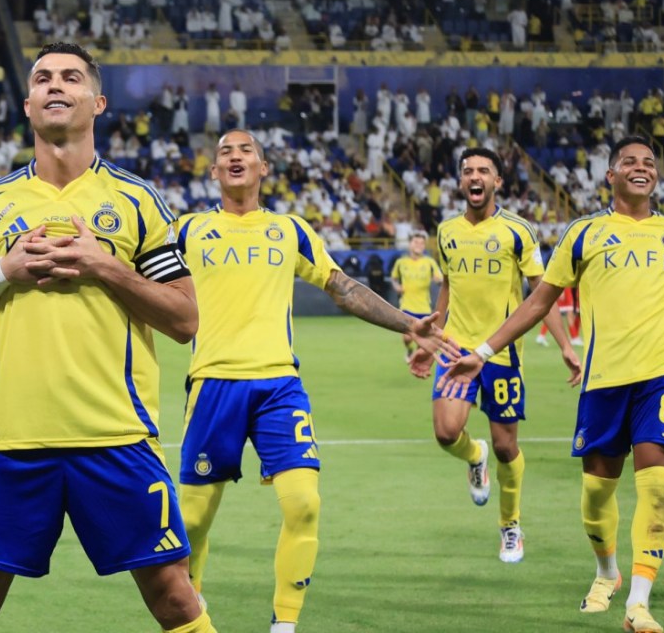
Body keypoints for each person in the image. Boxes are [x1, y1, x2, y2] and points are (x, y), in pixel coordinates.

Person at [432, 136, 664, 633]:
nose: (641, 168)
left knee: (657, 486)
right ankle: (607, 572)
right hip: (604, 380)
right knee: (597, 493)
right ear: (611, 175)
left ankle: (639, 603)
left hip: (663, 374)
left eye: (649, 163)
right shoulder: (584, 233)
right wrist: (482, 351)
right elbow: (539, 301)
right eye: (629, 162)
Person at [0, 43, 215, 633]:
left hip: (116, 434)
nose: (55, 85)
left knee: (175, 596)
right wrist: (3, 271)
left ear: (98, 102)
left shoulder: (137, 200)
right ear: (28, 104)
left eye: (70, 76)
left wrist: (103, 265)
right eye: (42, 78)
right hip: (12, 436)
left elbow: (185, 319)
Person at [175, 129, 457, 633]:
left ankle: (285, 624)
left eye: (246, 151)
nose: (235, 157)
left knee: (304, 504)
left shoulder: (290, 230)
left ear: (263, 168)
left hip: (279, 386)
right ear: (213, 172)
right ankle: (189, 602)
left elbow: (342, 288)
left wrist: (408, 322)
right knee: (192, 521)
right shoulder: (187, 230)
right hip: (213, 383)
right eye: (225, 153)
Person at [410, 147, 581, 564]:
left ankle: (510, 525)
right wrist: (432, 340)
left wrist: (564, 345)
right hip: (456, 347)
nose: (475, 176)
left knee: (507, 448)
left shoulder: (518, 231)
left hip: (502, 354)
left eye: (484, 170)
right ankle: (475, 455)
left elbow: (541, 294)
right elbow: (447, 285)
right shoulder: (446, 231)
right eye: (468, 170)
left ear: (497, 181)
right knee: (446, 433)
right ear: (460, 181)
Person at [391, 230, 442, 361]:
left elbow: (440, 278)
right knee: (407, 337)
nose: (419, 245)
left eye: (421, 243)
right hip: (406, 306)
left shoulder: (429, 262)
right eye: (416, 242)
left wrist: (438, 280)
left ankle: (417, 359)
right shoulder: (401, 262)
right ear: (410, 244)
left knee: (422, 340)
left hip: (424, 307)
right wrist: (397, 287)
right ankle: (409, 349)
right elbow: (394, 278)